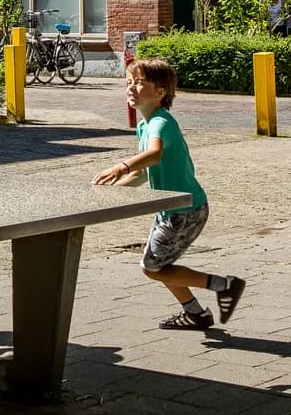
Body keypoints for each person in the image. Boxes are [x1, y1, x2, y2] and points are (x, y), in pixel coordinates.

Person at [92, 57, 245, 330]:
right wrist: (109, 193)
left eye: (139, 83)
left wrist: (120, 165)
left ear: (160, 93)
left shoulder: (161, 122)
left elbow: (153, 154)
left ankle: (225, 286)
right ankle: (196, 313)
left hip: (185, 210)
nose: (130, 88)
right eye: (128, 82)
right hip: (171, 209)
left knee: (153, 267)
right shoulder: (145, 124)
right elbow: (142, 173)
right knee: (158, 265)